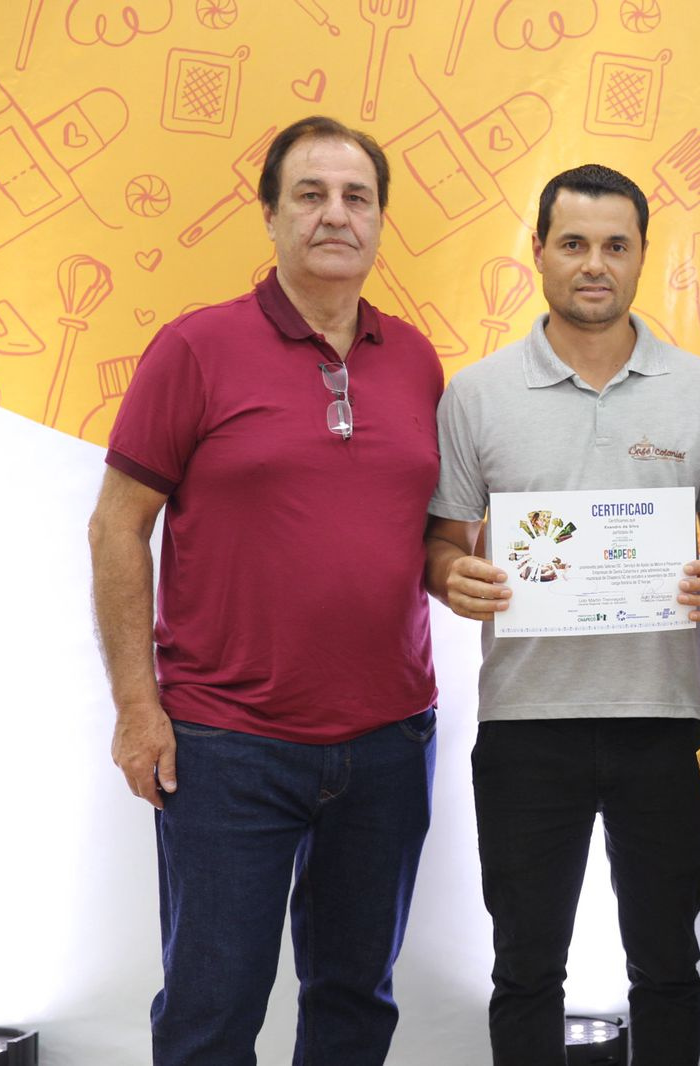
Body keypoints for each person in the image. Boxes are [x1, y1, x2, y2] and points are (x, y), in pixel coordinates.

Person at [87, 115, 443, 1064]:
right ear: (271, 216)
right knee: (211, 1013)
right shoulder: (195, 348)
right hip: (227, 745)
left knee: (356, 1005)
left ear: (380, 219)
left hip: (390, 742)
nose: (336, 215)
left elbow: (429, 534)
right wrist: (137, 708)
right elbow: (117, 526)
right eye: (310, 195)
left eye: (357, 197)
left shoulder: (416, 359)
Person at [424, 163, 700, 1066]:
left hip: (663, 720)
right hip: (525, 726)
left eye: (616, 245)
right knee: (525, 970)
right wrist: (453, 577)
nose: (594, 264)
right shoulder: (477, 394)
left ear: (644, 255)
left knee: (670, 966)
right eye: (573, 244)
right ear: (538, 252)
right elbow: (442, 541)